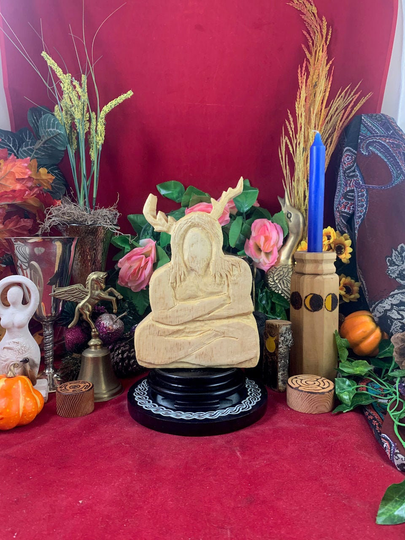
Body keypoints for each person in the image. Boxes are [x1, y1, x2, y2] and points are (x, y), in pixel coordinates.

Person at [135, 212, 259, 369]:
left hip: (219, 328)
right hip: (183, 331)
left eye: (203, 244)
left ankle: (183, 356)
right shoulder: (164, 277)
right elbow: (164, 316)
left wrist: (187, 314)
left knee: (247, 334)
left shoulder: (236, 269)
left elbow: (242, 307)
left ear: (214, 246)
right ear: (180, 248)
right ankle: (207, 354)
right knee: (146, 335)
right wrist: (220, 301)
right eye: (192, 245)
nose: (197, 251)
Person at [0, 276, 40, 377]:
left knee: (27, 376)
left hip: (26, 347)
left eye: (16, 295)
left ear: (21, 296)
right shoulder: (3, 311)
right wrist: (8, 280)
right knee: (6, 377)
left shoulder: (27, 310)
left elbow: (35, 294)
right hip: (6, 348)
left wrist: (22, 280)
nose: (13, 297)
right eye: (10, 295)